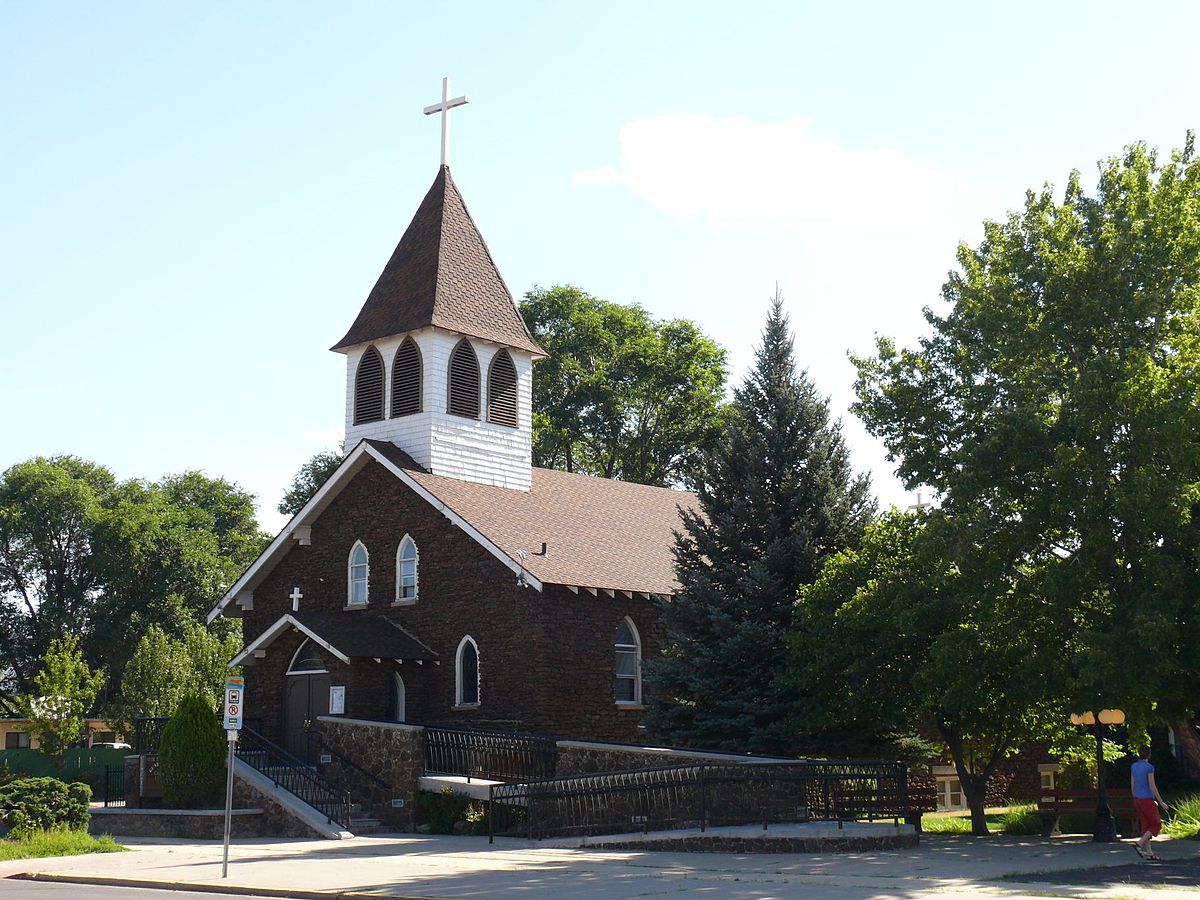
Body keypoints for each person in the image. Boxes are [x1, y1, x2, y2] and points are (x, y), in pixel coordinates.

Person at [1131, 745, 1169, 860]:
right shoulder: (1149, 767)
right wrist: (1161, 802)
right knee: (1156, 824)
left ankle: (1149, 853)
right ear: (1149, 754)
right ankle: (1139, 844)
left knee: (1146, 825)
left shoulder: (1134, 766)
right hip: (1147, 798)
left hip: (1137, 799)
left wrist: (1135, 796)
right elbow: (1152, 786)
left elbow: (1133, 784)